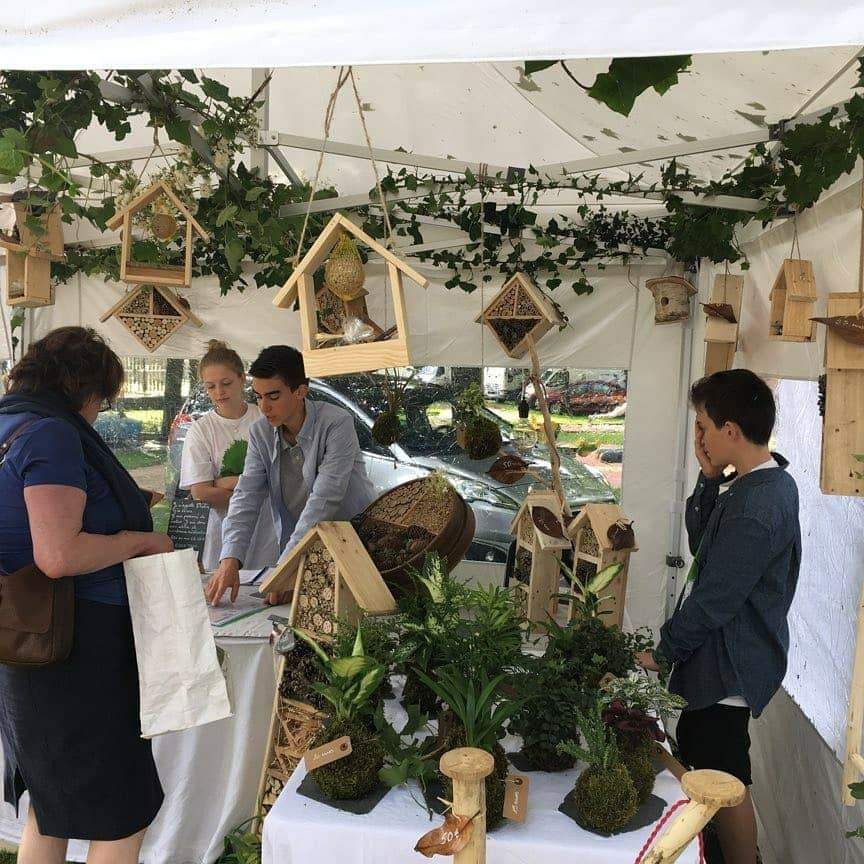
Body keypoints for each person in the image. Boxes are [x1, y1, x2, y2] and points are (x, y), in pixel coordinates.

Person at [0, 327, 173, 864]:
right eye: (102, 401)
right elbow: (58, 554)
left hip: (24, 636)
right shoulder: (51, 433)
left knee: (50, 805)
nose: (99, 413)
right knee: (121, 814)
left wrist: (109, 504)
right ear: (87, 389)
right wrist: (140, 540)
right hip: (79, 647)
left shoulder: (9, 422)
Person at [637, 369, 801, 864]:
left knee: (723, 775)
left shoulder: (758, 504)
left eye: (704, 427)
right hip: (722, 654)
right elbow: (702, 543)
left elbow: (714, 599)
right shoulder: (755, 485)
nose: (700, 439)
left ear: (731, 430)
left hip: (729, 661)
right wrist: (709, 479)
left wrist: (665, 650)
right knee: (711, 762)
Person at [205, 345, 375, 606]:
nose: (264, 407)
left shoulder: (336, 423)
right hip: (304, 548)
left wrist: (284, 568)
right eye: (258, 397)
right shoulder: (260, 432)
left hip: (358, 543)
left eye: (273, 396)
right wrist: (229, 559)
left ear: (300, 391)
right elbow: (246, 497)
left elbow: (324, 499)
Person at [180, 340, 278, 572]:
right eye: (210, 386)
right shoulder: (201, 430)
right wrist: (256, 489)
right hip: (222, 540)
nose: (219, 392)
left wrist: (224, 483)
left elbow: (282, 479)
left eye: (226, 383)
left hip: (269, 537)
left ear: (242, 378)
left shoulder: (266, 420)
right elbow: (201, 493)